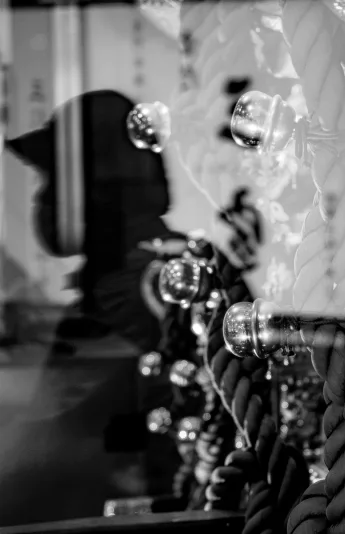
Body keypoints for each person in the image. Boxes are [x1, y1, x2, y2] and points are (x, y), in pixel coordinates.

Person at [2, 89, 180, 525]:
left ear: (98, 186)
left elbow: (56, 441)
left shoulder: (143, 288)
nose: (40, 198)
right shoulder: (129, 279)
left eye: (51, 181)